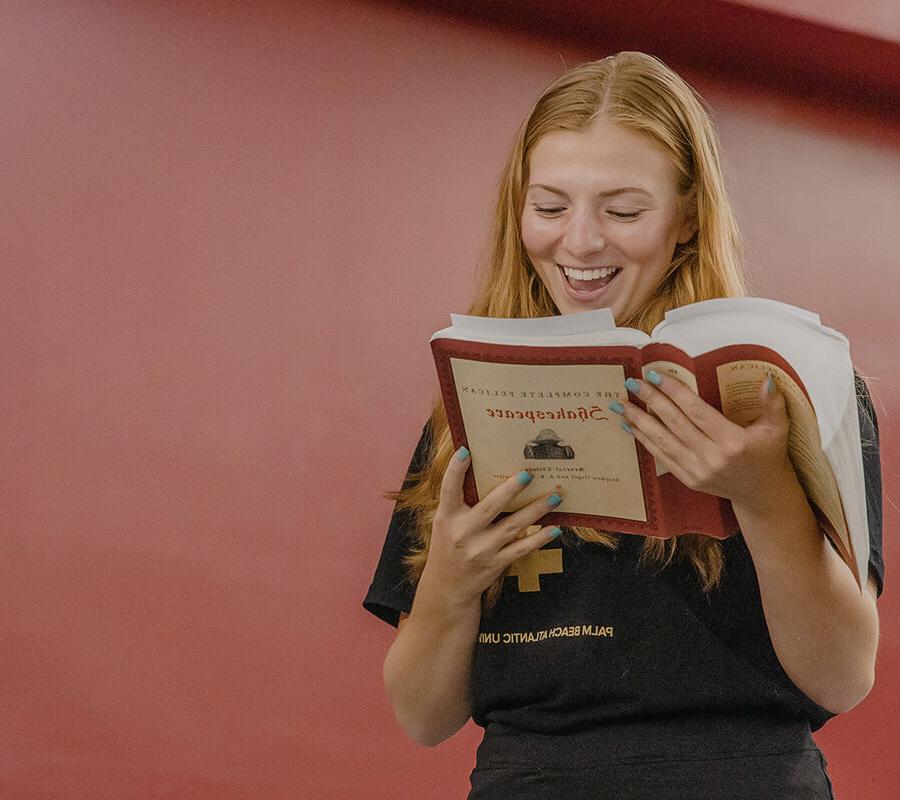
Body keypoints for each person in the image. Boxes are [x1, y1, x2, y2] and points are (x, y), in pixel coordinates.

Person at [362, 51, 883, 799]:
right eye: (549, 207)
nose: (578, 243)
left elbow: (841, 678)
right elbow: (422, 716)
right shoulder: (471, 406)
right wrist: (451, 577)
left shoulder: (785, 392)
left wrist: (763, 495)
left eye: (624, 210)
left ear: (686, 219)